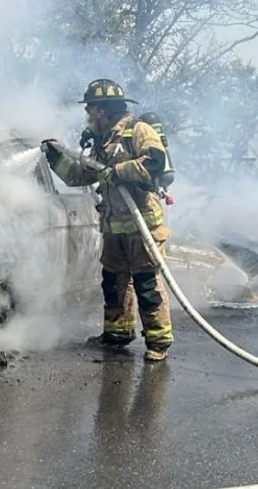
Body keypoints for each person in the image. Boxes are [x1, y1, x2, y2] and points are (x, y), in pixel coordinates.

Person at [41, 79, 174, 362]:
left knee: (146, 284)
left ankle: (158, 341)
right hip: (114, 226)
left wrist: (118, 172)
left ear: (102, 110)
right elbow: (82, 175)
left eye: (90, 108)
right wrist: (55, 159)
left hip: (143, 225)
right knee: (113, 282)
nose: (88, 114)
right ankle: (117, 334)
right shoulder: (104, 140)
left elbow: (155, 161)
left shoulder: (138, 130)